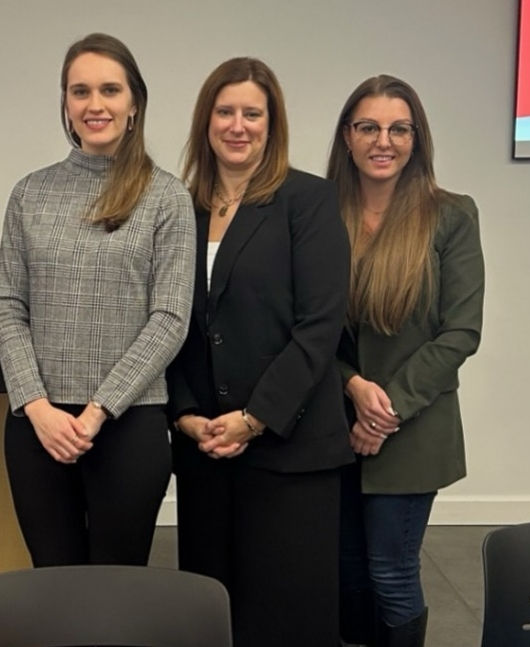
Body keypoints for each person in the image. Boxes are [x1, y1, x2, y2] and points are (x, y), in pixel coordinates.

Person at [165, 57, 352, 647]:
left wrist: (254, 419)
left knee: (285, 619)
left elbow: (319, 327)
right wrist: (186, 413)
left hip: (288, 449)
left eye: (253, 113)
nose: (238, 125)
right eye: (226, 111)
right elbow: (166, 322)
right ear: (206, 121)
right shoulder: (178, 205)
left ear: (273, 124)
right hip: (206, 449)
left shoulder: (308, 201)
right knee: (211, 615)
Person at [0, 33, 195, 568]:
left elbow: (170, 318)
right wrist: (37, 407)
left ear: (134, 103)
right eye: (80, 91)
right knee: (54, 584)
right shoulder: (29, 193)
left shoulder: (167, 196)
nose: (95, 104)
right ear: (66, 103)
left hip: (129, 424)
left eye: (110, 89)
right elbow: (10, 307)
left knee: (116, 592)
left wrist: (98, 411)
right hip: (39, 427)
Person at [327, 75, 484, 647]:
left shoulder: (451, 215)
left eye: (399, 128)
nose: (383, 141)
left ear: (417, 139)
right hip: (334, 423)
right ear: (347, 136)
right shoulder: (320, 213)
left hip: (412, 427)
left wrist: (384, 409)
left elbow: (461, 331)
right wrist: (352, 387)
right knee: (345, 573)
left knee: (391, 573)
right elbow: (307, 323)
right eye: (368, 127)